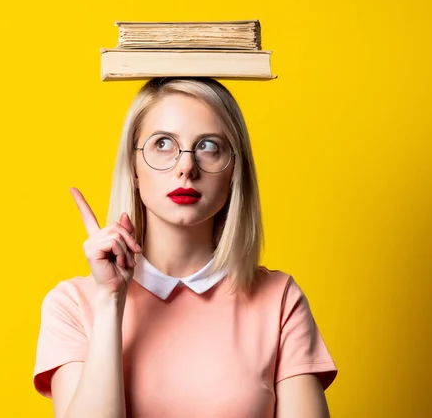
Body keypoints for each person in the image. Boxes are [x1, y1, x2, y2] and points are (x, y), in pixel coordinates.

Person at [32, 77, 338, 418]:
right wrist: (110, 302)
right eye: (162, 143)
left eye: (209, 146)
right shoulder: (73, 305)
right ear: (133, 166)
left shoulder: (280, 300)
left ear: (235, 169)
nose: (186, 167)